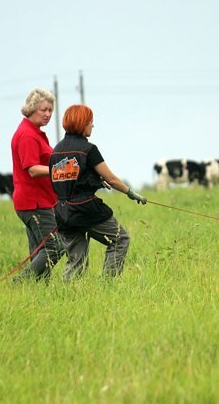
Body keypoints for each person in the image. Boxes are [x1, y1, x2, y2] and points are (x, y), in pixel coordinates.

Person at [49, 104, 146, 280]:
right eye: (90, 122)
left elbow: (67, 179)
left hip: (63, 212)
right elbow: (112, 179)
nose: (92, 125)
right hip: (87, 209)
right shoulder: (89, 149)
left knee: (76, 260)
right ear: (82, 123)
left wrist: (93, 180)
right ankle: (107, 284)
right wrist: (130, 192)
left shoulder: (56, 151)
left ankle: (68, 297)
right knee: (120, 239)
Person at [10, 88, 65, 282]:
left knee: (39, 250)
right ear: (32, 108)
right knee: (56, 247)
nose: (48, 114)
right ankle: (20, 282)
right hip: (34, 203)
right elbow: (32, 169)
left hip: (37, 201)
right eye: (44, 110)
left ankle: (38, 292)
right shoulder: (27, 135)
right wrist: (61, 172)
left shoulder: (35, 132)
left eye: (51, 110)